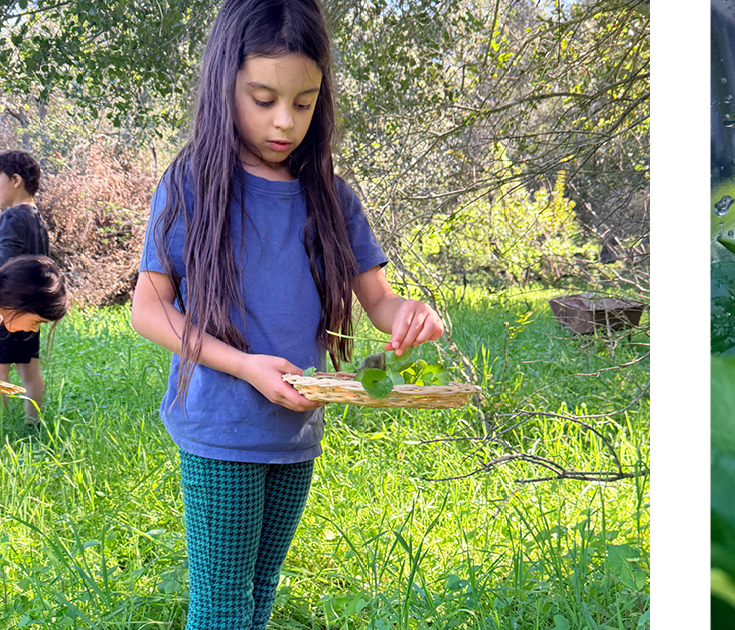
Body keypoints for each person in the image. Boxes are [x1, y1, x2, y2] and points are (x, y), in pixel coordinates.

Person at [128, 0, 444, 626]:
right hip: (222, 432)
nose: (284, 122)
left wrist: (413, 314)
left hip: (296, 437)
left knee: (261, 592)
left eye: (303, 103)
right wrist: (243, 366)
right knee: (222, 607)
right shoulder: (193, 184)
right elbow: (148, 310)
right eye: (263, 98)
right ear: (226, 87)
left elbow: (379, 300)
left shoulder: (331, 195)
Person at [0, 150, 55, 424]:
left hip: (8, 307)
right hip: (30, 310)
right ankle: (32, 422)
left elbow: (4, 264)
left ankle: (5, 420)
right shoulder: (38, 219)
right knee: (29, 369)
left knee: (1, 373)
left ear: (15, 180)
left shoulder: (11, 218)